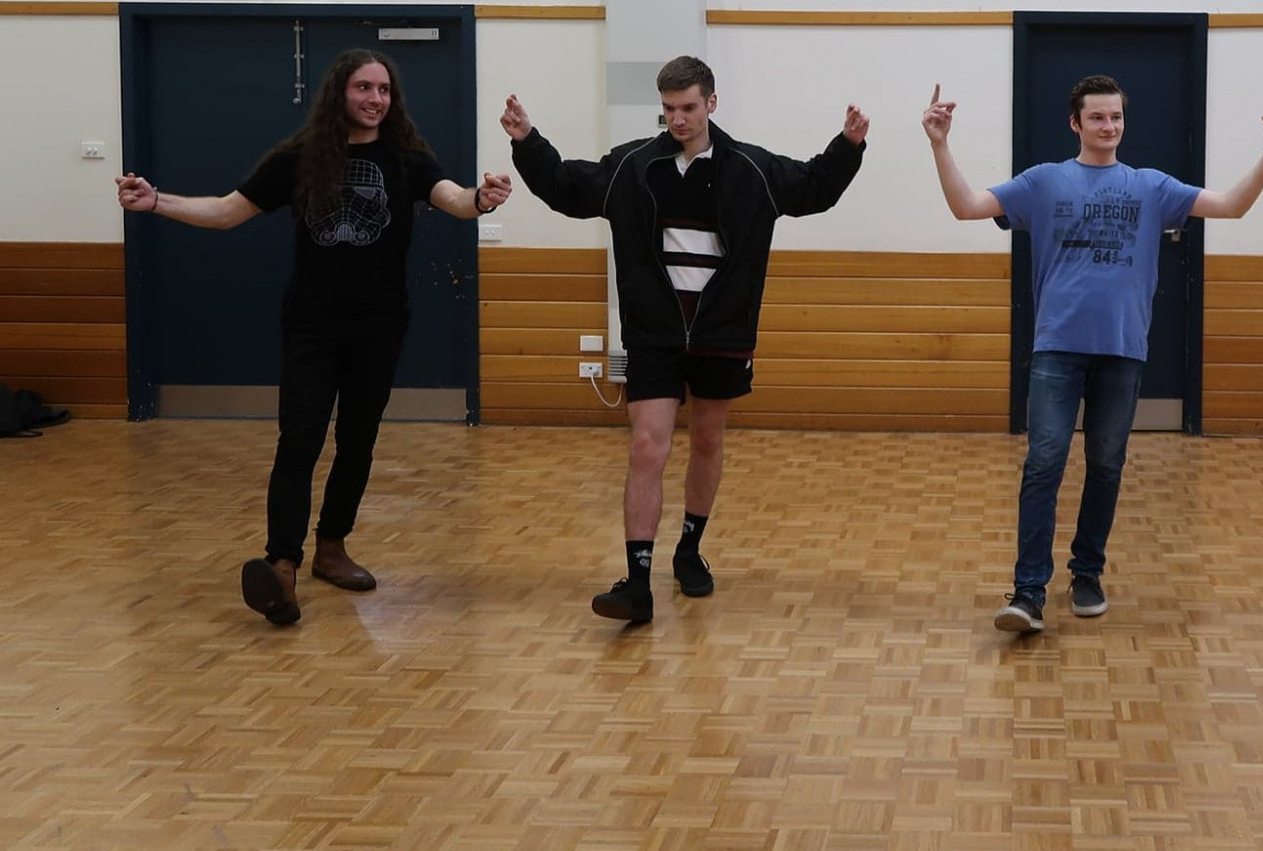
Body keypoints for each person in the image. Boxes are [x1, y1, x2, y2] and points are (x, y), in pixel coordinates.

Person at [115, 49, 512, 626]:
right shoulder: (298, 158)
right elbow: (226, 212)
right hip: (312, 324)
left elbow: (453, 199)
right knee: (298, 439)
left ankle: (332, 547)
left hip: (380, 324)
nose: (376, 99)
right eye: (364, 88)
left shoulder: (406, 156)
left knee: (357, 439)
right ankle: (282, 565)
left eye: (384, 89)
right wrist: (157, 201)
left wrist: (482, 197)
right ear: (339, 93)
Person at [923, 76, 1263, 635]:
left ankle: (1087, 573)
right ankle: (1028, 593)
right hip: (1056, 347)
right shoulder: (1043, 181)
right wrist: (940, 143)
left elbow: (1230, 206)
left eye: (1116, 117)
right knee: (1044, 463)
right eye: (1097, 117)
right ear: (1075, 123)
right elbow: (966, 207)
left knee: (1105, 464)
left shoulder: (1151, 186)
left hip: (1123, 349)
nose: (1109, 126)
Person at [503, 55, 868, 624]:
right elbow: (567, 187)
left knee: (706, 440)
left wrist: (847, 146)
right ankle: (637, 583)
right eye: (669, 108)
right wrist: (528, 141)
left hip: (722, 332)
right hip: (654, 333)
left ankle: (689, 550)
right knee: (647, 447)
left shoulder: (750, 168)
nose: (678, 119)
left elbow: (813, 188)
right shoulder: (633, 167)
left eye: (689, 107)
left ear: (711, 104)